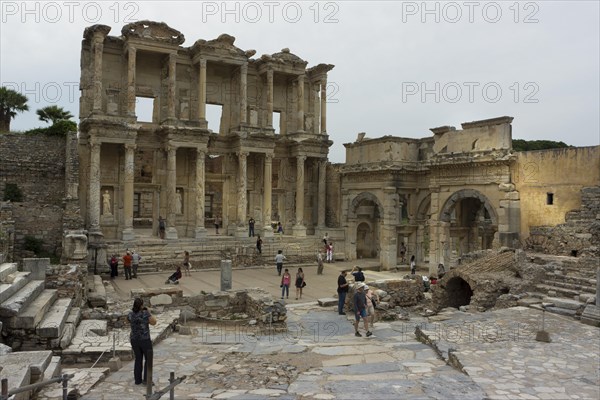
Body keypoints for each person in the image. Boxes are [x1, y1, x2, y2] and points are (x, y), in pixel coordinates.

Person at [128, 298, 156, 386]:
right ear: (141, 305)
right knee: (148, 359)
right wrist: (149, 312)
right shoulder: (145, 314)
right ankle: (147, 380)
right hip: (145, 339)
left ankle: (138, 380)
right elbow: (154, 322)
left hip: (134, 339)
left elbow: (128, 321)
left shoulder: (130, 314)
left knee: (138, 359)